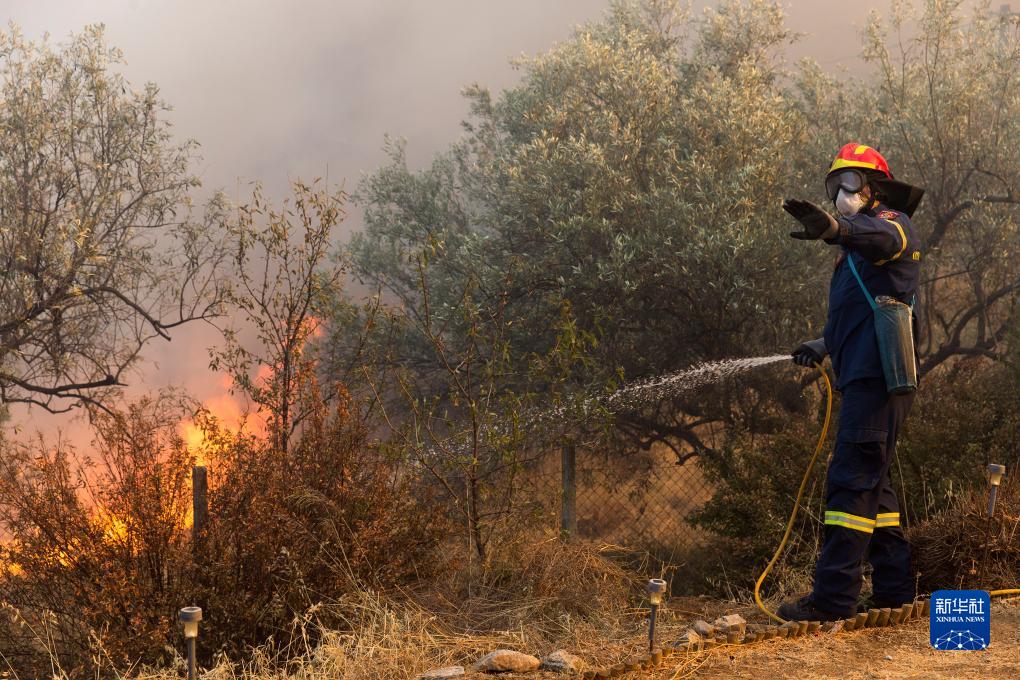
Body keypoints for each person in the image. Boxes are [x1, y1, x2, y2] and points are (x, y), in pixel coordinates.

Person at [777, 143, 925, 622]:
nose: (841, 194)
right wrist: (824, 344)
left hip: (876, 378)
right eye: (834, 185)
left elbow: (883, 238)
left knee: (851, 484)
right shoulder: (854, 256)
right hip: (863, 374)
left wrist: (839, 229)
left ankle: (832, 600)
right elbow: (863, 313)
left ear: (875, 187)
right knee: (874, 485)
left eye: (851, 182)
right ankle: (895, 592)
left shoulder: (893, 225)